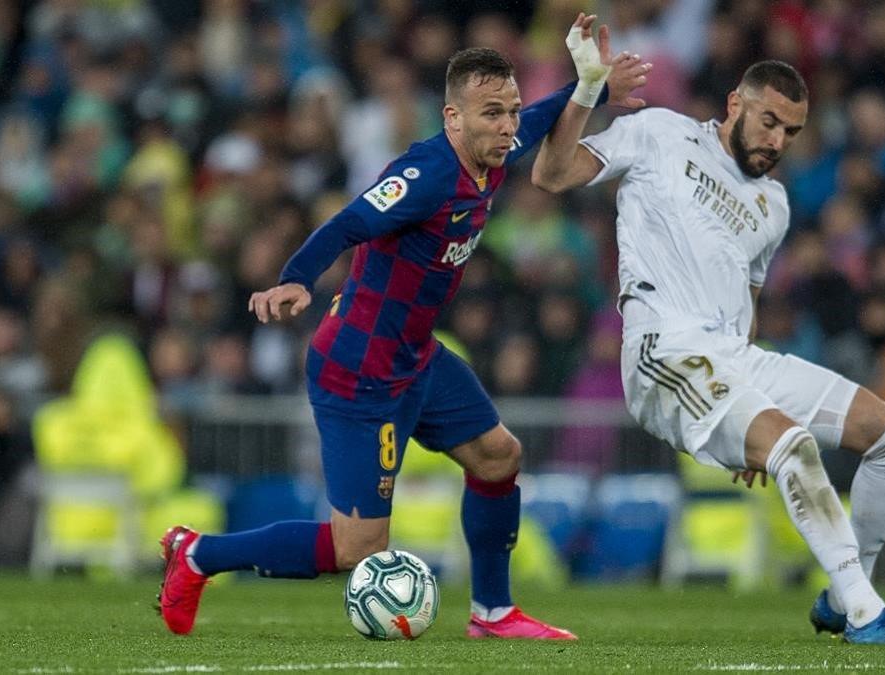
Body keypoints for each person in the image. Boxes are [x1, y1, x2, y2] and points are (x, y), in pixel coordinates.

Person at [157, 14, 650, 639]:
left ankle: (493, 614)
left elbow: (544, 117)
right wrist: (295, 278)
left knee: (499, 457)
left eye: (511, 111)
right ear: (453, 118)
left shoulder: (497, 147)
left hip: (415, 356)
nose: (507, 126)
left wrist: (597, 88)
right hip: (357, 370)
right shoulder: (425, 176)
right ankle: (198, 554)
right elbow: (347, 223)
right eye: (492, 113)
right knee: (354, 550)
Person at [531, 60, 885, 645]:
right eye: (770, 122)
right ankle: (864, 613)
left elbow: (745, 309)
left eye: (792, 132)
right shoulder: (658, 132)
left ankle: (842, 595)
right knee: (793, 444)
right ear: (734, 104)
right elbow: (549, 175)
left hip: (734, 357)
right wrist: (586, 93)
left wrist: (747, 410)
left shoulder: (773, 205)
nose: (777, 141)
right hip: (663, 351)